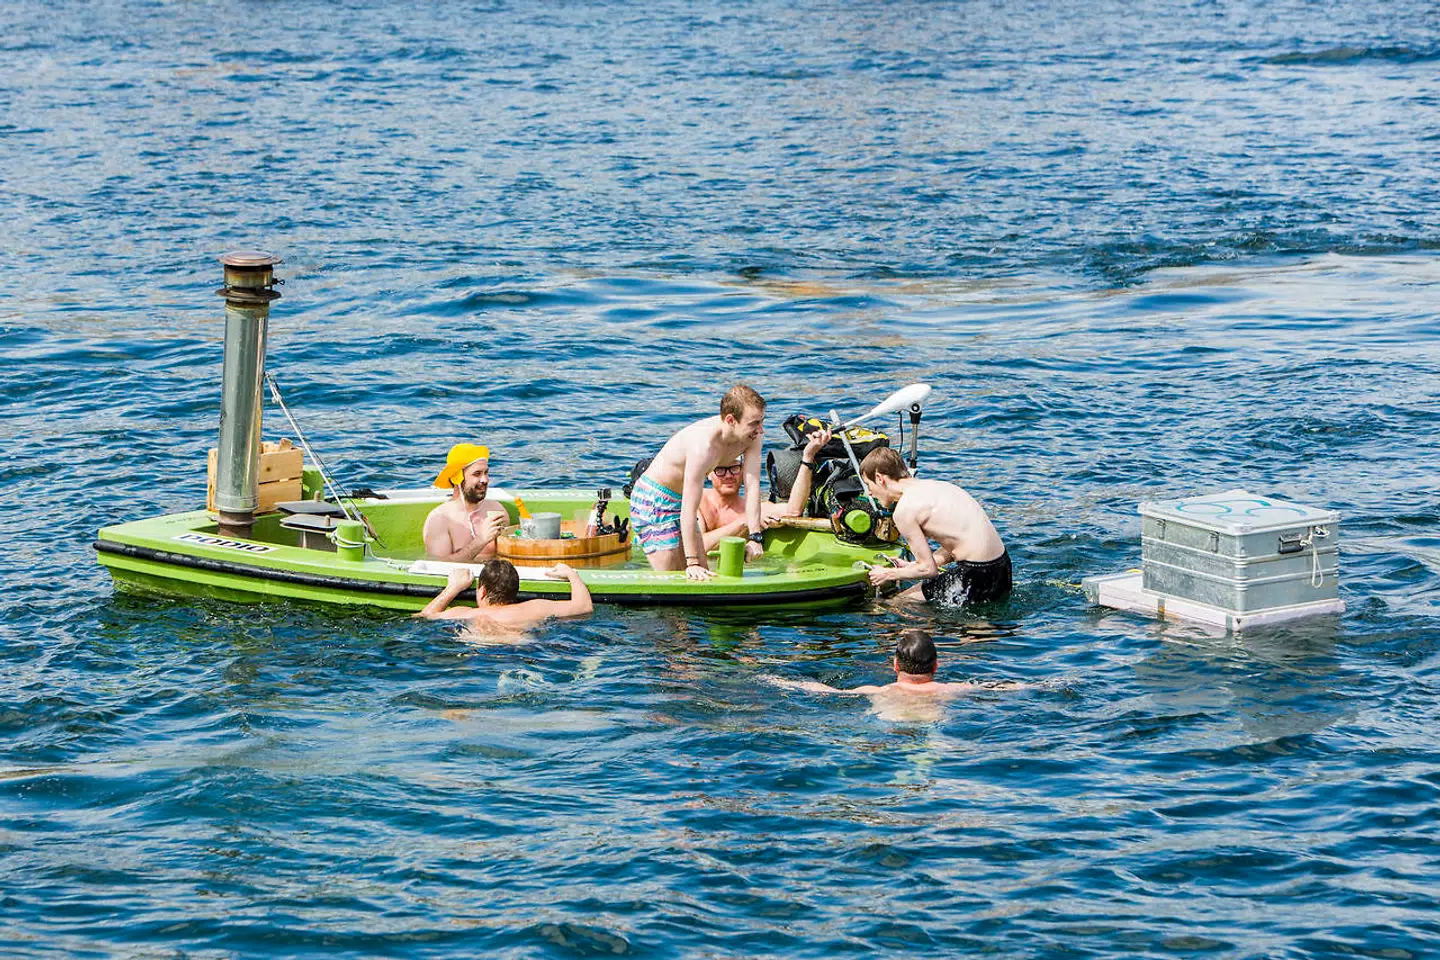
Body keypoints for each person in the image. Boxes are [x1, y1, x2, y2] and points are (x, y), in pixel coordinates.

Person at [630, 384, 767, 579]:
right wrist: (692, 562)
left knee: (705, 575)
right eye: (754, 423)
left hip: (681, 499)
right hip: (654, 500)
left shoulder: (753, 436)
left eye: (762, 421)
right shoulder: (703, 447)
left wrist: (755, 536)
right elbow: (689, 506)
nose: (760, 429)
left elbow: (752, 486)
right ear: (731, 420)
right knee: (673, 579)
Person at [859, 447, 1012, 607]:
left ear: (879, 478)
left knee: (897, 604)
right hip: (1002, 565)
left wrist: (887, 574)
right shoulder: (938, 487)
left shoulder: (905, 510)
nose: (869, 493)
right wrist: (913, 566)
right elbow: (958, 542)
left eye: (868, 485)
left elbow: (928, 570)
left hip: (976, 573)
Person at [769, 629, 1025, 700]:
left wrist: (777, 680)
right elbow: (1000, 688)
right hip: (933, 735)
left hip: (890, 731)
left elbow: (824, 691)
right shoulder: (951, 690)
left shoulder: (878, 691)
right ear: (936, 666)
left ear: (894, 665)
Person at [698, 427, 832, 551]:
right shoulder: (697, 501)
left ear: (743, 470)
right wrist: (746, 522)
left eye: (734, 469)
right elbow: (698, 546)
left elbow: (793, 511)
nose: (728, 475)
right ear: (708, 473)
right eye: (720, 470)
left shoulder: (754, 508)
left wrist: (808, 457)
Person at [417, 560, 593, 628]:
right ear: (515, 591)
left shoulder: (466, 613)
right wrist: (572, 574)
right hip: (523, 650)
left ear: (483, 591)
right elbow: (584, 606)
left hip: (479, 654)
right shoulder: (535, 608)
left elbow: (424, 616)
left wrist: (453, 588)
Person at [423, 443, 509, 562]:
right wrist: (481, 540)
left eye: (486, 473)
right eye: (477, 474)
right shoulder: (439, 519)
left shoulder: (496, 509)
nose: (485, 480)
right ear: (458, 479)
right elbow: (438, 565)